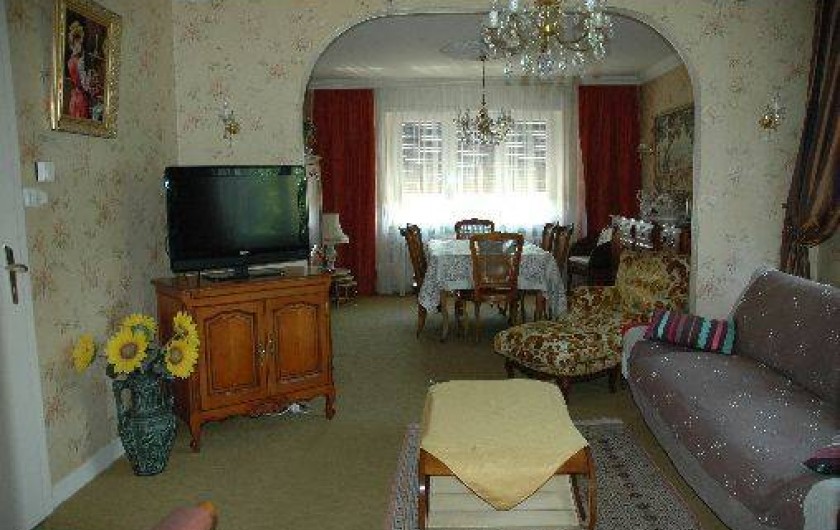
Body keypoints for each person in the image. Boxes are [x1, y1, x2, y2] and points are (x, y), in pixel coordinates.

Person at [66, 21, 89, 119]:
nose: (81, 46)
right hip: (80, 99)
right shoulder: (79, 62)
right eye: (80, 43)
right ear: (75, 43)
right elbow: (85, 86)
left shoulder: (70, 61)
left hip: (73, 98)